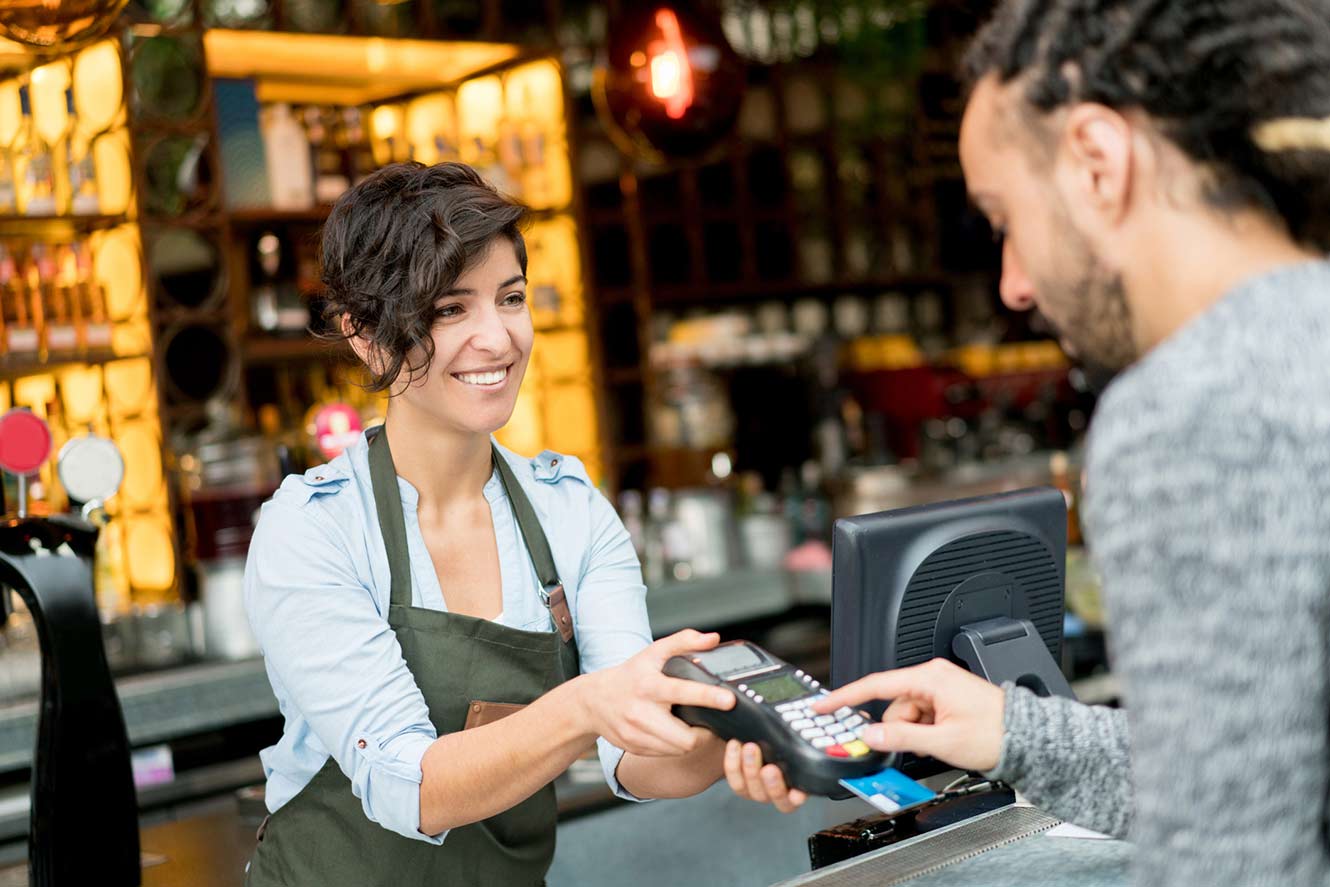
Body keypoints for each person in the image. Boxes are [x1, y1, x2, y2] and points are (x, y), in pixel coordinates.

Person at [776, 2, 1330, 884]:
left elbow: (1236, 858)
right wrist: (1014, 730)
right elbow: (1279, 774)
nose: (1015, 284)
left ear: (1098, 163)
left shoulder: (1194, 411)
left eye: (1006, 220)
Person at [242, 162, 791, 886]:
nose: (497, 338)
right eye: (449, 309)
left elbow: (632, 758)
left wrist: (740, 733)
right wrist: (587, 705)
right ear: (366, 335)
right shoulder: (313, 531)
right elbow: (412, 786)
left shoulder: (569, 511)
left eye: (510, 298)